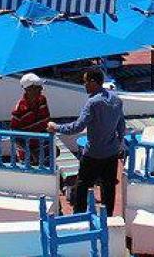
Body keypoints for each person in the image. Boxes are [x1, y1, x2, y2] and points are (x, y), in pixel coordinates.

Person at [48, 68, 126, 215]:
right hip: (112, 153)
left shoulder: (92, 103)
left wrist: (56, 127)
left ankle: (79, 216)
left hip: (93, 154)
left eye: (85, 81)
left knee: (82, 186)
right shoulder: (117, 100)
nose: (84, 85)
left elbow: (77, 127)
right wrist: (119, 143)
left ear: (93, 82)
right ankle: (107, 218)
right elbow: (121, 125)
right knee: (109, 187)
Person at [10, 73, 51, 166]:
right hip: (27, 151)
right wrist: (31, 152)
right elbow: (14, 135)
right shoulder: (19, 109)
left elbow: (46, 121)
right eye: (38, 87)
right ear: (28, 90)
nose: (41, 89)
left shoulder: (42, 100)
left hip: (43, 144)